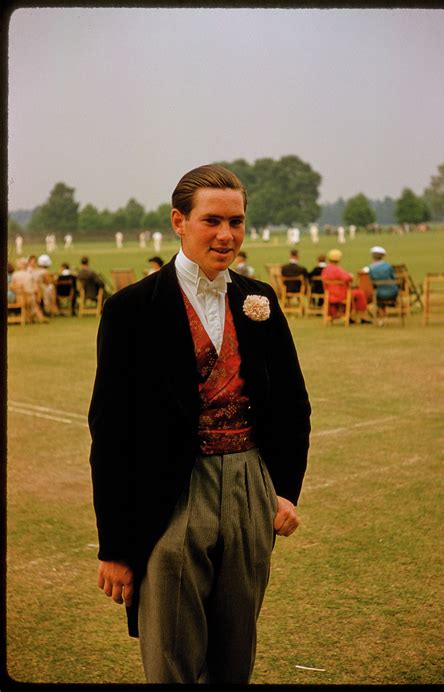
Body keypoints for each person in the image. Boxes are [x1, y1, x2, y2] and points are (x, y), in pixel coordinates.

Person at [88, 163, 311, 685]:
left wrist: (283, 491)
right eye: (212, 220)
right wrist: (116, 547)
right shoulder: (130, 310)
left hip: (251, 488)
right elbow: (111, 434)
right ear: (178, 222)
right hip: (169, 494)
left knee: (236, 655)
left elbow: (293, 406)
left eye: (236, 221)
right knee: (172, 658)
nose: (227, 234)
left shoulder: (260, 301)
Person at [321, 248, 370, 323]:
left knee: (355, 293)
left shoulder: (326, 269)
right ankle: (361, 314)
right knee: (359, 293)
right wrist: (350, 276)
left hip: (329, 294)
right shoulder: (337, 269)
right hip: (341, 294)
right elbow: (348, 278)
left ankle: (350, 315)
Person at [368, 246, 399, 326]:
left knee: (379, 299)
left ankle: (382, 319)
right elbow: (394, 277)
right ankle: (393, 305)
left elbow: (371, 280)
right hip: (393, 292)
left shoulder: (371, 268)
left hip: (380, 294)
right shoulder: (388, 266)